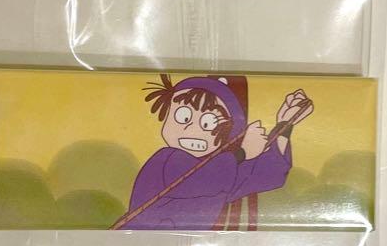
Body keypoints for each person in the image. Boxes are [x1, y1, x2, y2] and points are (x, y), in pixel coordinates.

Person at [120, 74, 312, 230]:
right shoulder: (166, 159)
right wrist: (243, 153)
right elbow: (199, 180)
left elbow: (266, 175)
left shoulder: (223, 172)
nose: (191, 129)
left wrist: (284, 126)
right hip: (142, 241)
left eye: (208, 123)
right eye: (183, 117)